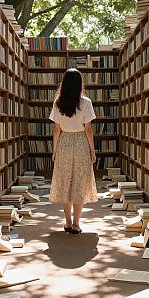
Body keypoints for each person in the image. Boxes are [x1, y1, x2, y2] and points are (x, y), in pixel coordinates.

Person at [49, 68, 98, 234]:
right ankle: (77, 224)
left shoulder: (57, 103)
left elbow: (56, 129)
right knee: (79, 183)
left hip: (64, 142)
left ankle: (68, 222)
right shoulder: (86, 102)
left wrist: (54, 150)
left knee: (65, 183)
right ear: (79, 84)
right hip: (81, 143)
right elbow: (88, 129)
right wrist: (93, 150)